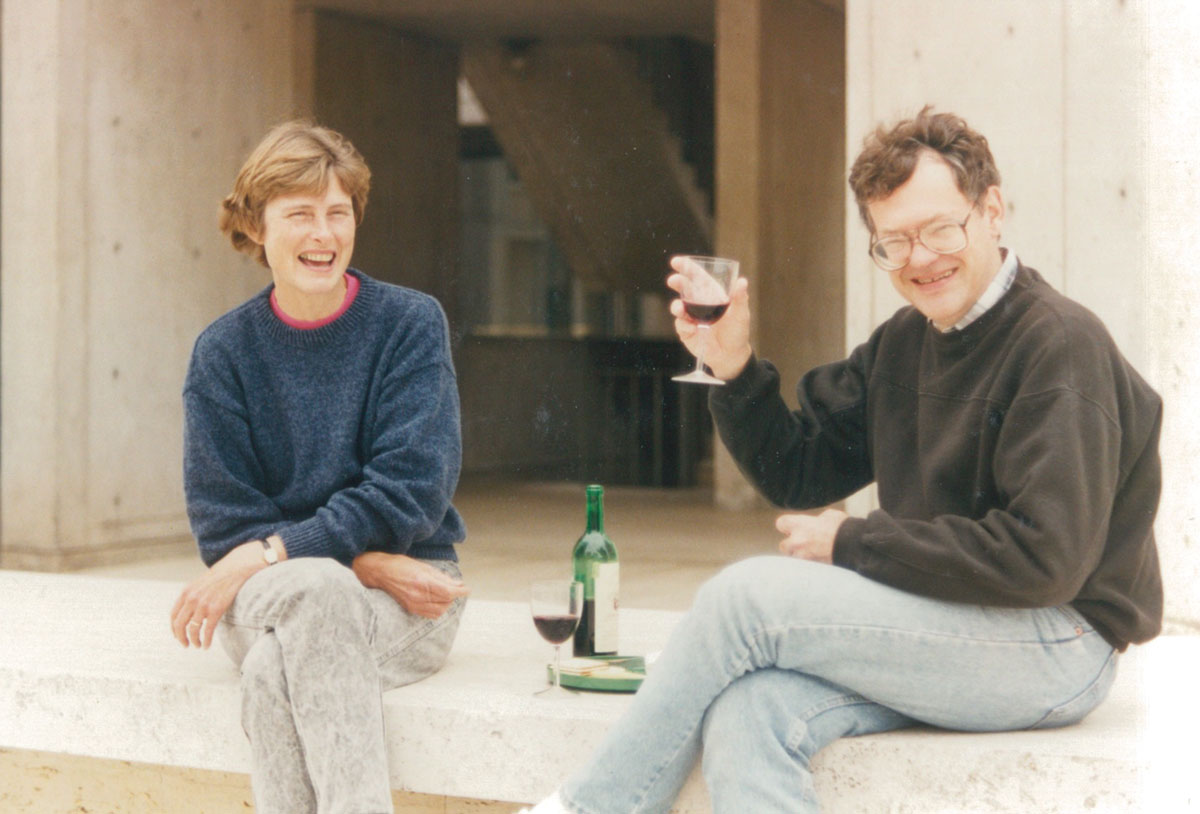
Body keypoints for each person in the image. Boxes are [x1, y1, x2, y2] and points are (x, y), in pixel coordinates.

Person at [517, 107, 1163, 813]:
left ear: (993, 211)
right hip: (952, 619)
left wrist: (853, 543)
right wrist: (733, 371)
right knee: (751, 708)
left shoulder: (1059, 345)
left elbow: (1049, 559)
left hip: (1057, 639)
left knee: (744, 601)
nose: (920, 259)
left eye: (940, 229)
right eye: (894, 242)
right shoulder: (905, 344)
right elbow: (800, 470)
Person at [169, 120, 470, 814]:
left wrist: (285, 552)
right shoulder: (223, 353)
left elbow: (413, 492)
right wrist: (360, 563)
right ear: (255, 225)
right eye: (300, 214)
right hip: (282, 597)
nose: (324, 235)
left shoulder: (408, 324)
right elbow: (224, 527)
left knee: (281, 664)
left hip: (409, 598)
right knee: (322, 594)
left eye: (339, 213)